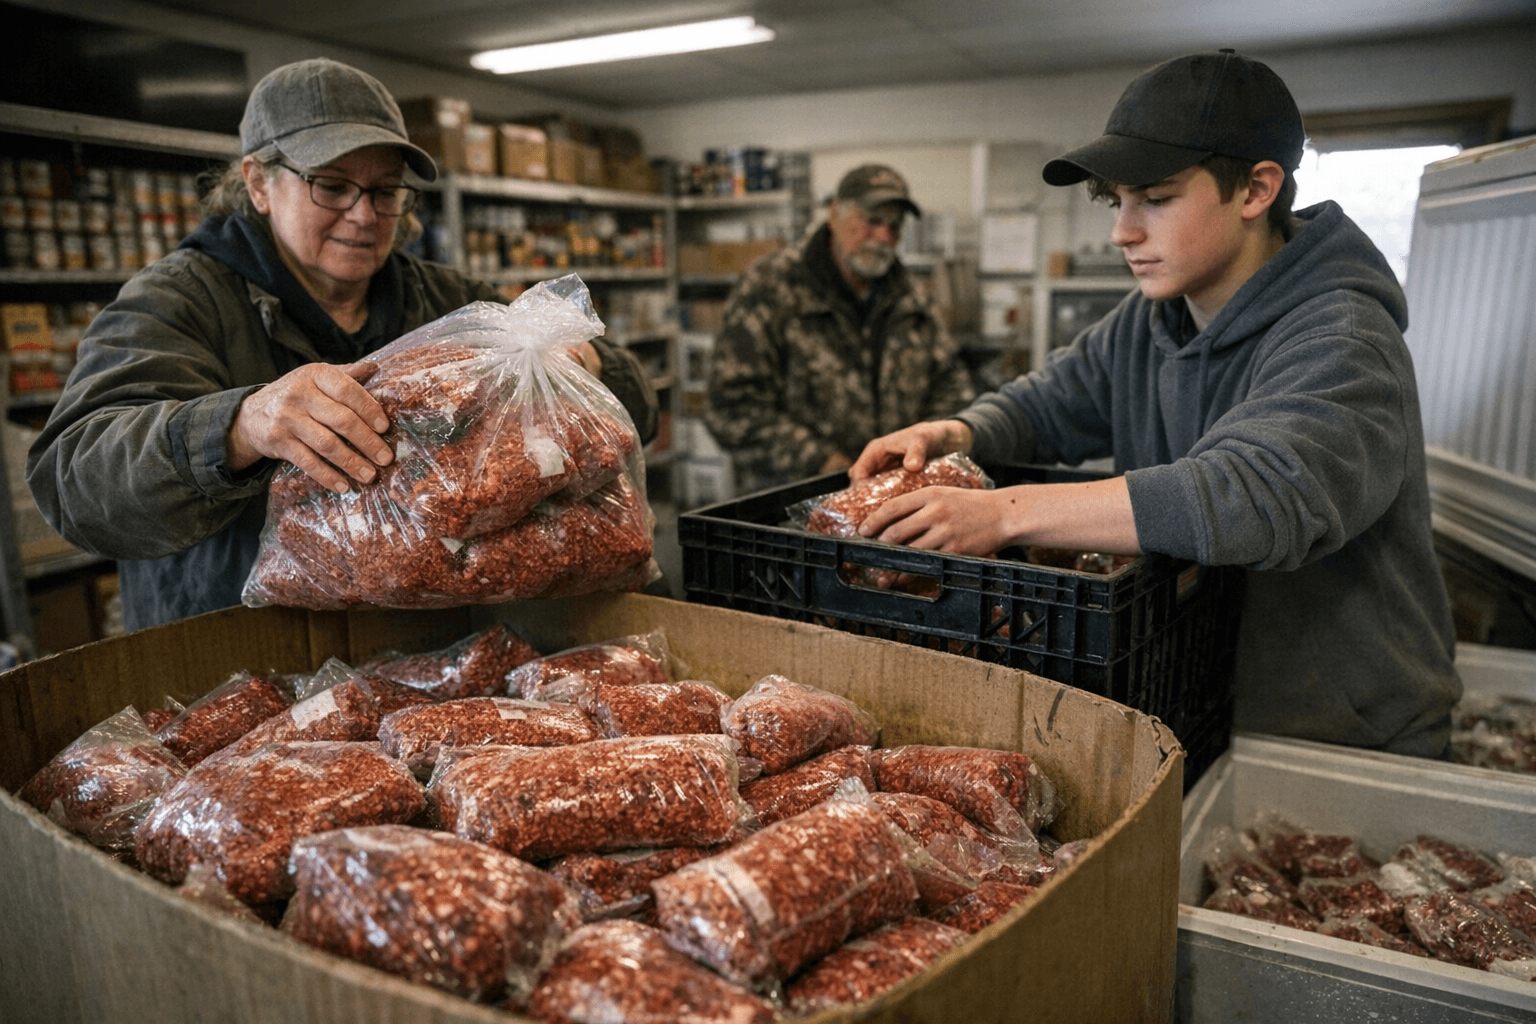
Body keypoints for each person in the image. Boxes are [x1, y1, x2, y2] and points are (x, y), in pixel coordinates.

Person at [848, 50, 1461, 758]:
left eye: (1157, 198)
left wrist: (1002, 513)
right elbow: (1050, 404)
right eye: (1117, 201)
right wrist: (959, 430)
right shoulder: (1151, 321)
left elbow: (1255, 493)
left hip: (1343, 734)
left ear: (1256, 190)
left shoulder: (1343, 336)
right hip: (1198, 705)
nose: (1122, 232)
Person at [26, 57, 658, 632]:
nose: (363, 215)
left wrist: (585, 363)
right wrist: (241, 426)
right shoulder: (180, 302)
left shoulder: (445, 299)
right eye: (330, 184)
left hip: (433, 657)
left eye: (385, 191)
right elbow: (73, 481)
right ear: (257, 183)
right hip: (244, 665)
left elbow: (637, 409)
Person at [702, 164, 975, 493]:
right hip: (794, 508)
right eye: (872, 221)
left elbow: (952, 387)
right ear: (834, 213)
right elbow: (730, 405)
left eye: (895, 227)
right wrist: (823, 462)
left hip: (896, 500)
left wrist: (923, 451)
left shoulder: (913, 300)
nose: (884, 238)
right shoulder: (770, 288)